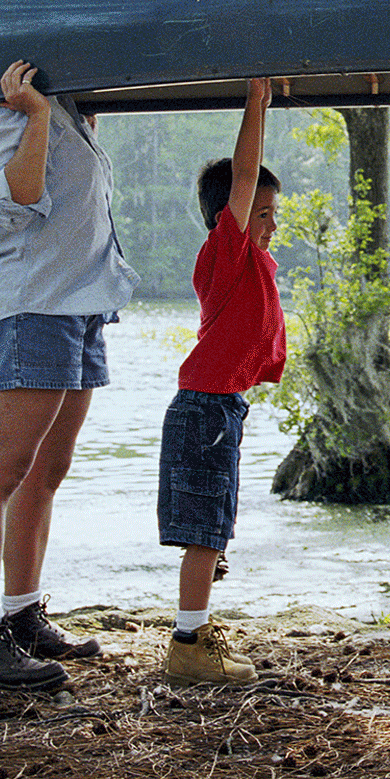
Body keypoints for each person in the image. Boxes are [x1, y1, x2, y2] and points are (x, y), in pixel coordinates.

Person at [0, 57, 137, 690]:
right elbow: (20, 196)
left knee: (46, 472)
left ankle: (22, 614)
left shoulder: (67, 113)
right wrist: (33, 114)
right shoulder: (4, 110)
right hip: (30, 305)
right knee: (0, 471)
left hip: (79, 306)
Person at [158, 78, 286, 686]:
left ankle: (197, 629)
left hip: (221, 408)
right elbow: (243, 174)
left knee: (215, 529)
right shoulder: (226, 251)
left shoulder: (254, 260)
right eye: (261, 214)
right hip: (206, 407)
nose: (270, 224)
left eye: (273, 214)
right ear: (228, 216)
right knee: (205, 531)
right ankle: (189, 644)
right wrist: (256, 104)